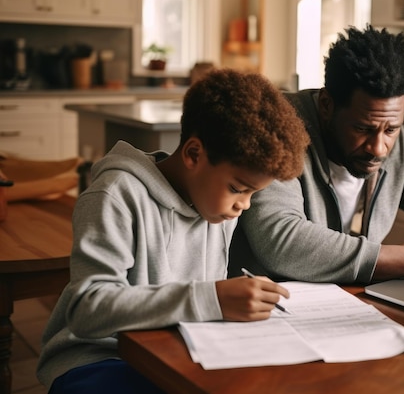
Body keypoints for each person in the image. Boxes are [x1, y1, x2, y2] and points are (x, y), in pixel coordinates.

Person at [36, 68, 310, 393]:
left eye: (253, 193)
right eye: (239, 188)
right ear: (194, 154)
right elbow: (87, 310)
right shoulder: (117, 193)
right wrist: (211, 298)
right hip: (98, 359)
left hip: (172, 349)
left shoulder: (214, 205)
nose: (244, 205)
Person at [229, 25, 404, 284]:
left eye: (391, 129)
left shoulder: (403, 146)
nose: (378, 147)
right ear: (327, 105)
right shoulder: (275, 127)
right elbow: (282, 242)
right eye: (363, 128)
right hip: (261, 305)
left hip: (340, 301)